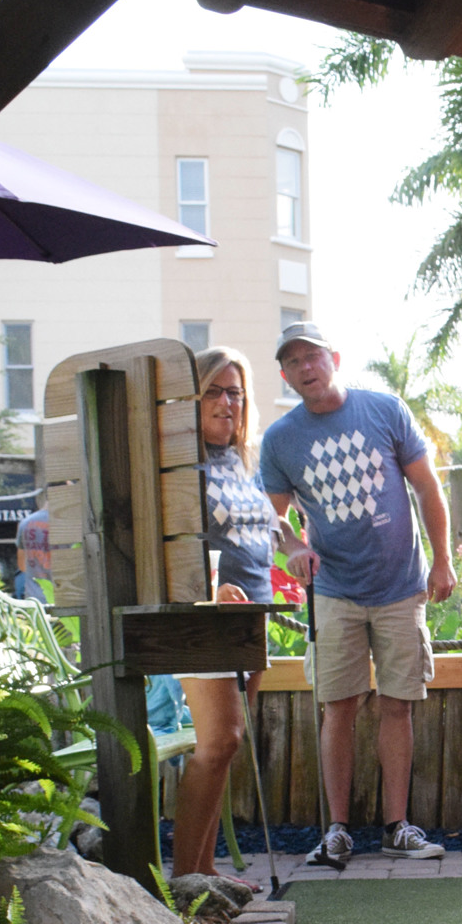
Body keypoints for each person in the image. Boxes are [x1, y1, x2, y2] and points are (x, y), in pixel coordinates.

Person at [260, 322, 457, 867]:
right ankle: (338, 830)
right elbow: (272, 519)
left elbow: (427, 487)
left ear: (334, 358)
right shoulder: (280, 439)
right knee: (337, 708)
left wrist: (442, 560)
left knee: (398, 706)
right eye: (294, 361)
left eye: (313, 356)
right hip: (334, 591)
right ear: (285, 374)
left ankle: (398, 826)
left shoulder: (384, 411)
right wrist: (294, 545)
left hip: (399, 586)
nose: (306, 367)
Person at [171, 344, 280, 879]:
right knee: (219, 741)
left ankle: (207, 870)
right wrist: (207, 592)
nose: (225, 402)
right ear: (191, 398)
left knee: (229, 749)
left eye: (234, 392)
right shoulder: (179, 463)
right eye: (213, 390)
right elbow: (166, 544)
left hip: (252, 615)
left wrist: (297, 553)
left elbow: (261, 532)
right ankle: (185, 879)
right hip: (204, 616)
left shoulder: (241, 460)